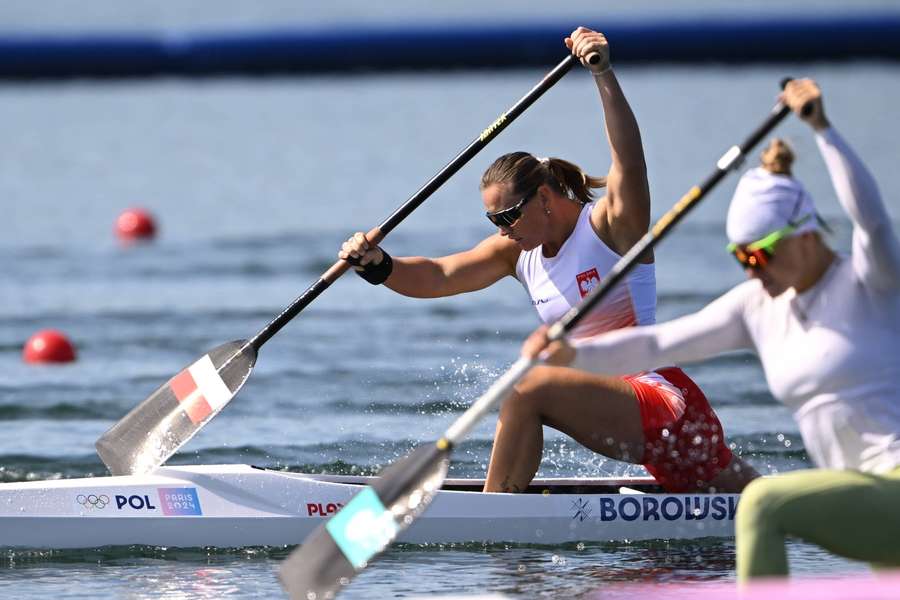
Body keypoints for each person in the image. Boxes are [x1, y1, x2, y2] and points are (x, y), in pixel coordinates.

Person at [339, 26, 756, 495]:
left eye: (509, 215)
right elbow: (439, 276)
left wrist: (604, 74)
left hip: (665, 404)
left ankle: (493, 513)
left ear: (543, 198)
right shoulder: (518, 251)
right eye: (493, 218)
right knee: (762, 500)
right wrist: (378, 264)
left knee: (525, 387)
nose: (502, 229)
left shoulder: (611, 228)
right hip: (636, 420)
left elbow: (630, 164)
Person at [522, 79, 900, 579]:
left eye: (760, 254)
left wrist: (822, 130)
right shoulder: (756, 306)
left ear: (804, 233)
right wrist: (568, 355)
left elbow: (872, 222)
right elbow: (657, 343)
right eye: (739, 257)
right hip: (858, 494)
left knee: (763, 503)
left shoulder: (871, 282)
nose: (750, 270)